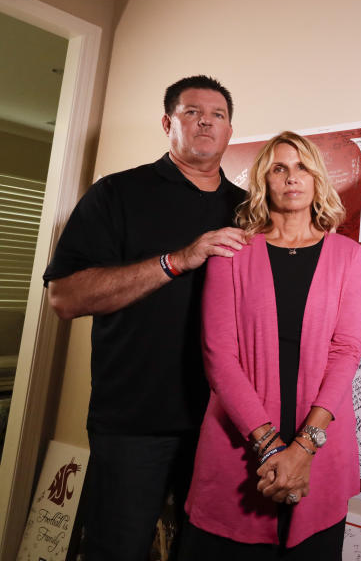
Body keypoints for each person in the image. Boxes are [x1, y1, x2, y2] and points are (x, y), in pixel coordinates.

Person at [43, 75, 247, 560]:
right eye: (192, 112)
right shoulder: (117, 194)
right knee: (118, 551)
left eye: (217, 115)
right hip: (134, 421)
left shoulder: (246, 209)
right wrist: (175, 261)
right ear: (167, 123)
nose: (205, 122)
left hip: (223, 422)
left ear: (229, 131)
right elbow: (64, 298)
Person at [179, 132, 361, 559]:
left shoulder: (347, 255)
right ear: (264, 180)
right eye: (279, 168)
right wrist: (270, 446)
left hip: (320, 447)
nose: (291, 177)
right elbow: (218, 357)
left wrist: (302, 449)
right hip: (239, 444)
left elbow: (346, 351)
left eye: (301, 167)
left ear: (318, 178)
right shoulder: (231, 251)